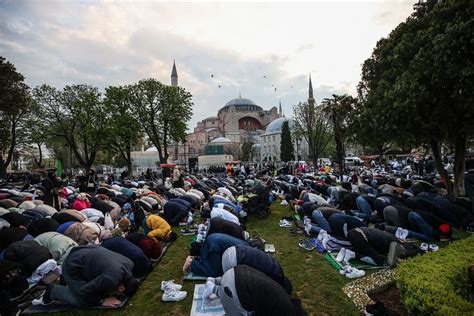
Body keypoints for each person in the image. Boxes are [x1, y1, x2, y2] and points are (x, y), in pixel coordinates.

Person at [33, 245, 139, 307]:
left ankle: (69, 283)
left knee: (100, 290)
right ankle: (53, 291)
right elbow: (83, 292)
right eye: (120, 293)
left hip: (83, 253)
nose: (118, 294)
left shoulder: (129, 263)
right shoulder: (110, 279)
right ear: (121, 287)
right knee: (82, 300)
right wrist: (101, 301)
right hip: (72, 266)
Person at [210, 265, 305, 315]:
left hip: (235, 272)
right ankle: (215, 289)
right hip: (236, 285)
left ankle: (216, 286)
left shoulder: (284, 300)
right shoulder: (285, 311)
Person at [221, 245, 292, 293]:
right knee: (233, 287)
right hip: (235, 259)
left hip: (234, 250)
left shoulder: (277, 271)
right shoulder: (274, 277)